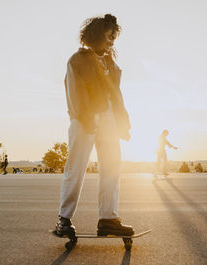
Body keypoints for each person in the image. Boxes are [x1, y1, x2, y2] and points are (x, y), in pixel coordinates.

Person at [55, 14, 134, 237]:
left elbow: (117, 96)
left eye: (114, 38)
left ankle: (108, 218)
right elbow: (74, 92)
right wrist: (85, 118)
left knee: (112, 167)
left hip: (109, 120)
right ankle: (64, 218)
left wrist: (123, 123)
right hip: (84, 120)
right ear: (97, 35)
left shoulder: (111, 63)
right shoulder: (76, 60)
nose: (112, 42)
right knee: (76, 168)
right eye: (109, 36)